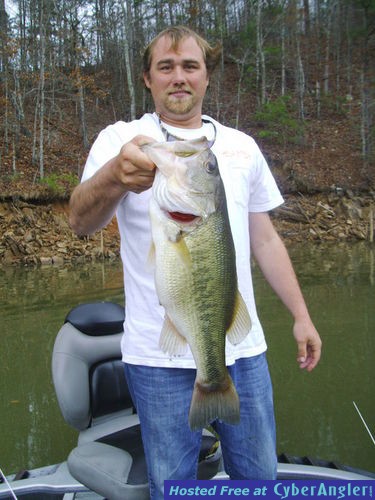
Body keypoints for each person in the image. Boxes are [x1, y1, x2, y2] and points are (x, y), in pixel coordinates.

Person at [69, 25, 322, 499]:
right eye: (166, 67)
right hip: (156, 355)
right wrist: (114, 179)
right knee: (173, 486)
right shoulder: (121, 139)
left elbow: (265, 240)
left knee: (259, 478)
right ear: (147, 78)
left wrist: (302, 316)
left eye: (190, 66)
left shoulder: (241, 147)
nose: (178, 77)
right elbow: (80, 222)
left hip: (242, 353)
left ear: (207, 76)